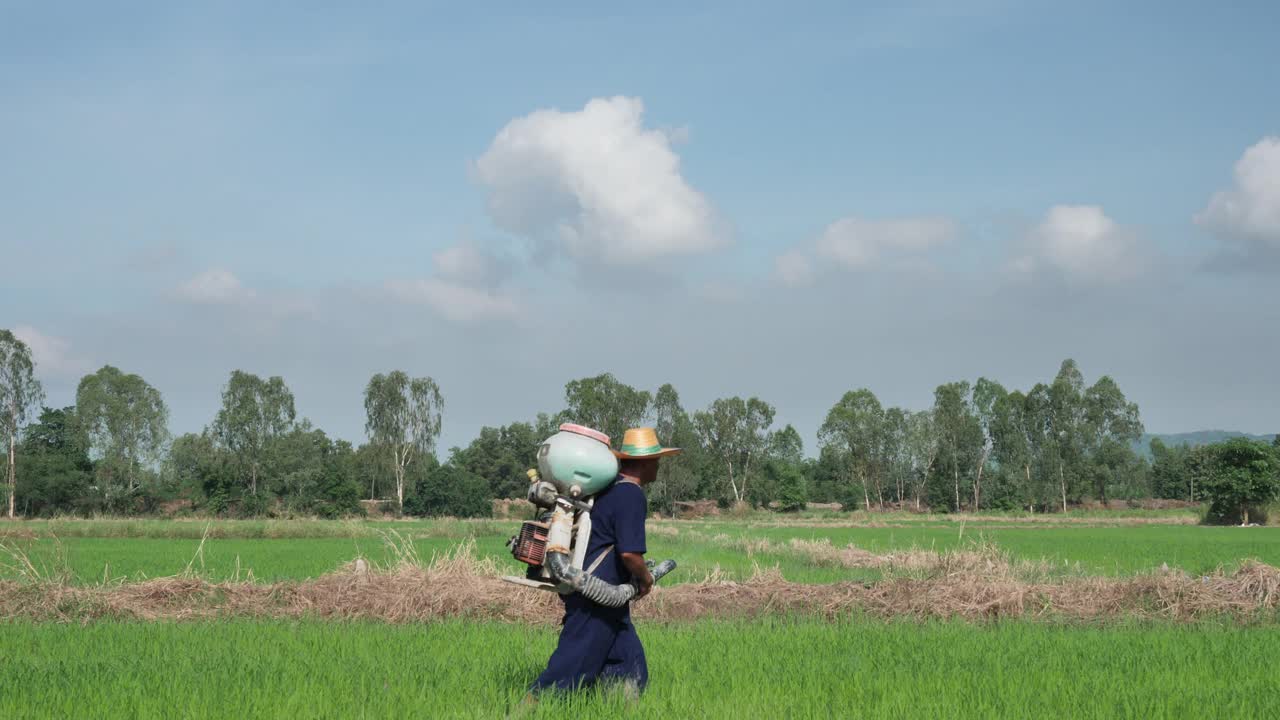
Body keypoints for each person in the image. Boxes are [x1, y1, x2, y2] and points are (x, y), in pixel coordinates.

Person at [525, 427, 681, 700]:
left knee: (628, 665)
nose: (659, 465)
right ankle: (526, 710)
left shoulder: (608, 490)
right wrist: (646, 579)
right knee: (566, 672)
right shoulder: (630, 495)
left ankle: (618, 709)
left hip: (606, 600)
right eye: (656, 459)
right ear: (644, 462)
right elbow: (630, 554)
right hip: (596, 598)